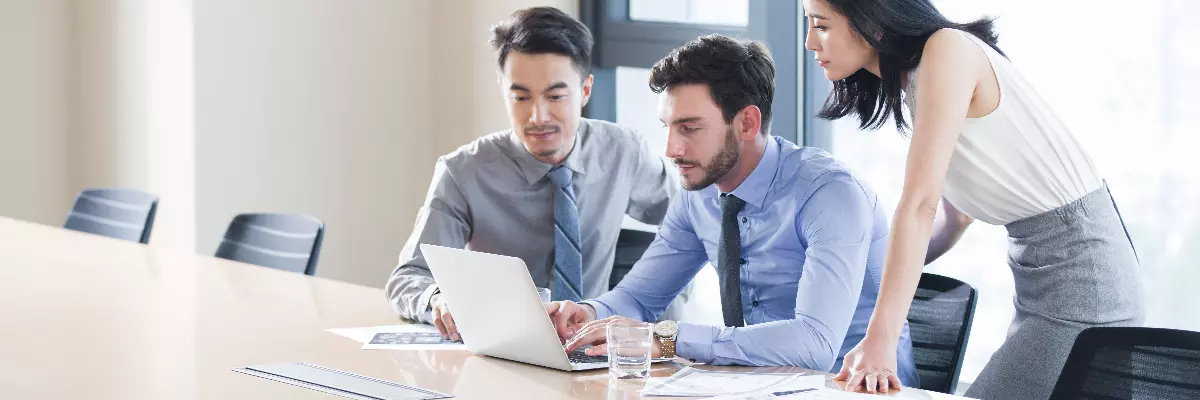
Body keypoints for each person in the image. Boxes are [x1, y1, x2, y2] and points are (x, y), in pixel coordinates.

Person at [800, 0, 1145, 398]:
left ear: (872, 24)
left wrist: (882, 339)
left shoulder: (947, 50)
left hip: (1082, 277)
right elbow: (956, 216)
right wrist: (868, 267)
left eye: (821, 25)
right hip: (1047, 274)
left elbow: (919, 206)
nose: (810, 42)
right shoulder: (919, 77)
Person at [545, 34, 918, 385]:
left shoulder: (830, 195)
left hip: (849, 387)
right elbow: (640, 298)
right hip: (752, 383)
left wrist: (668, 338)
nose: (672, 149)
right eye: (668, 127)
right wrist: (590, 314)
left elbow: (815, 345)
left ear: (747, 123)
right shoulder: (698, 193)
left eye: (689, 128)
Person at [385, 6, 676, 342]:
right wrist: (437, 299)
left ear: (585, 90)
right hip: (504, 349)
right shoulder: (463, 172)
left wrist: (665, 315)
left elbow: (689, 222)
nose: (538, 116)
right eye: (521, 97)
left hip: (597, 346)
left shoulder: (623, 152)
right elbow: (409, 277)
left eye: (555, 96)